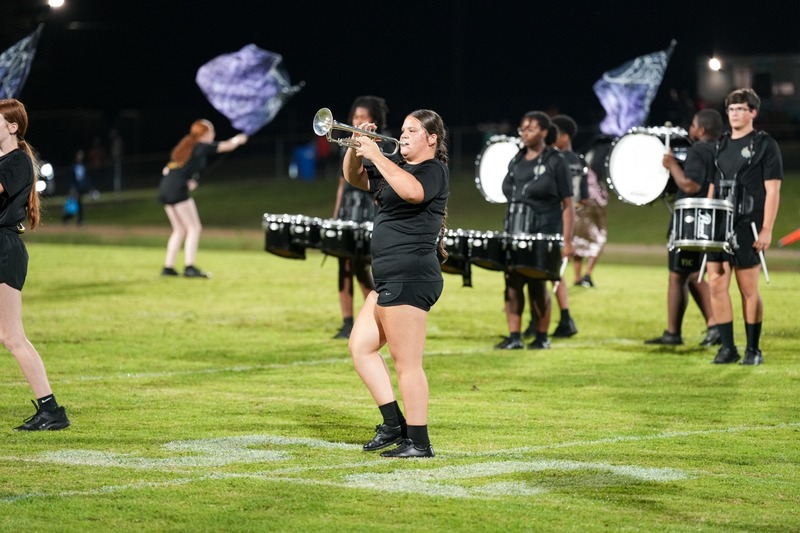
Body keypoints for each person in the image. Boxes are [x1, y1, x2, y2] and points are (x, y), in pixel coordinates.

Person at [344, 109, 449, 458]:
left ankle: (419, 441)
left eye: (412, 131)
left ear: (431, 139)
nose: (402, 135)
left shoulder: (432, 170)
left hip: (412, 274)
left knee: (407, 363)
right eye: (402, 130)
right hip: (390, 277)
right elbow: (354, 179)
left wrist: (376, 154)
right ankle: (393, 425)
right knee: (360, 347)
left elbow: (414, 193)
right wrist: (356, 146)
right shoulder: (395, 168)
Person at [0, 98, 70, 431]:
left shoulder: (16, 161)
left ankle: (51, 409)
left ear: (12, 127)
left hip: (3, 249)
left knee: (12, 336)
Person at [707, 88, 782, 365]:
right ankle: (728, 348)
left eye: (741, 109)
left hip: (748, 225)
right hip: (719, 225)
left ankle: (753, 349)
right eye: (731, 109)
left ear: (753, 112)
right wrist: (709, 215)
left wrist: (767, 228)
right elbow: (714, 185)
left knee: (747, 287)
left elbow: (773, 190)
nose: (735, 114)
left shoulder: (765, 144)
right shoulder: (721, 144)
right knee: (715, 282)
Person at [495, 111, 574, 350]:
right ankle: (515, 336)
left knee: (538, 283)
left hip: (544, 232)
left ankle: (541, 336)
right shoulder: (517, 160)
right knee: (512, 282)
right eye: (522, 128)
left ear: (543, 132)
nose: (524, 132)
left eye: (530, 128)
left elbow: (568, 204)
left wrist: (567, 240)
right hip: (515, 230)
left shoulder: (555, 161)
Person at [646, 109, 724, 347]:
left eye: (692, 125)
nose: (690, 129)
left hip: (690, 221)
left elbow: (690, 185)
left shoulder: (699, 149)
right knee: (685, 275)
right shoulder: (719, 149)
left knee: (685, 275)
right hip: (708, 219)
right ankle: (678, 331)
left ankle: (712, 325)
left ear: (701, 130)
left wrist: (672, 166)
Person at [330, 96, 393, 339]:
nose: (356, 121)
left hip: (369, 208)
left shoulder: (383, 143)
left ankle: (376, 317)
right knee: (343, 263)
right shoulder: (347, 143)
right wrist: (336, 216)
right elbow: (341, 183)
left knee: (363, 265)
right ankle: (347, 323)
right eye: (355, 117)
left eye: (362, 117)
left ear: (374, 120)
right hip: (348, 208)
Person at [158, 119, 247, 278]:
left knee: (179, 229)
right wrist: (238, 139)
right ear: (204, 134)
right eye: (212, 132)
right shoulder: (201, 146)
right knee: (194, 228)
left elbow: (168, 169)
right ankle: (189, 267)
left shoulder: (186, 145)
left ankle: (168, 268)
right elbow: (228, 146)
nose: (214, 134)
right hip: (177, 190)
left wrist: (190, 180)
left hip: (165, 188)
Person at [572, 134, 610, 288]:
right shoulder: (596, 163)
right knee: (597, 239)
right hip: (592, 204)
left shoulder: (577, 161)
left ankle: (577, 277)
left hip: (579, 204)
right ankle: (586, 275)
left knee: (578, 240)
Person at [63, 148, 92, 225]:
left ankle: (74, 219)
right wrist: (71, 188)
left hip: (81, 188)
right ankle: (73, 219)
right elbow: (70, 178)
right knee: (75, 204)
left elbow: (85, 178)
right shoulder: (72, 167)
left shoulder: (83, 167)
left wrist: (88, 188)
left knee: (78, 204)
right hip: (74, 189)